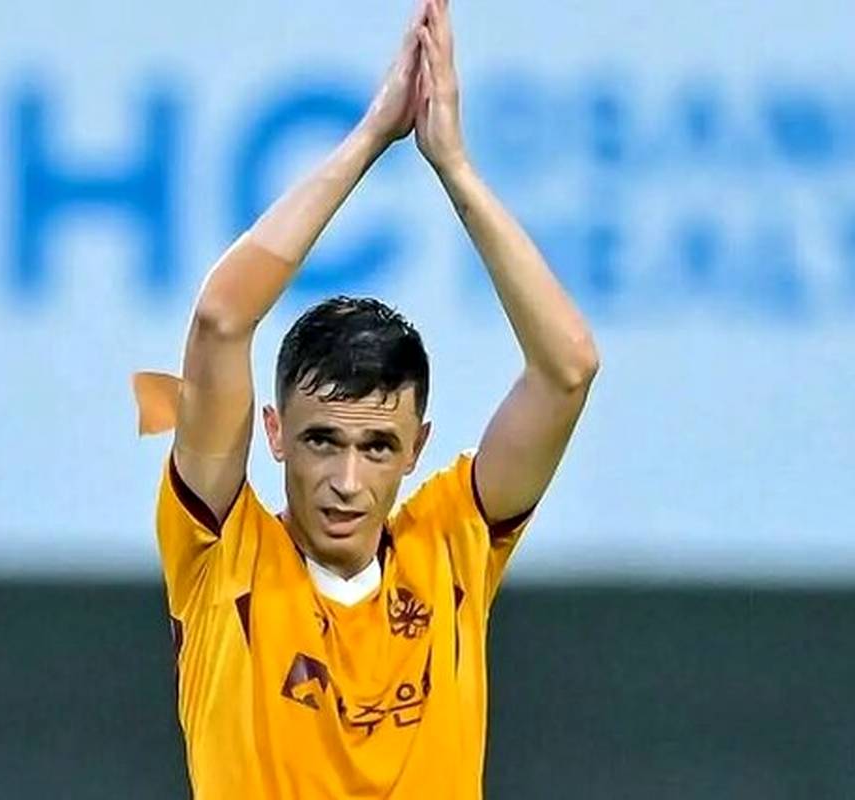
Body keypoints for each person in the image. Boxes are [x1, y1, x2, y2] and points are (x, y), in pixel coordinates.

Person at [133, 0, 599, 796]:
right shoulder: (223, 557)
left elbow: (568, 369)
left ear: (417, 447)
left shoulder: (449, 547)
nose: (347, 482)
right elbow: (220, 320)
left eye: (377, 447)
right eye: (323, 440)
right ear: (275, 433)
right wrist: (371, 139)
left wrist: (454, 167)